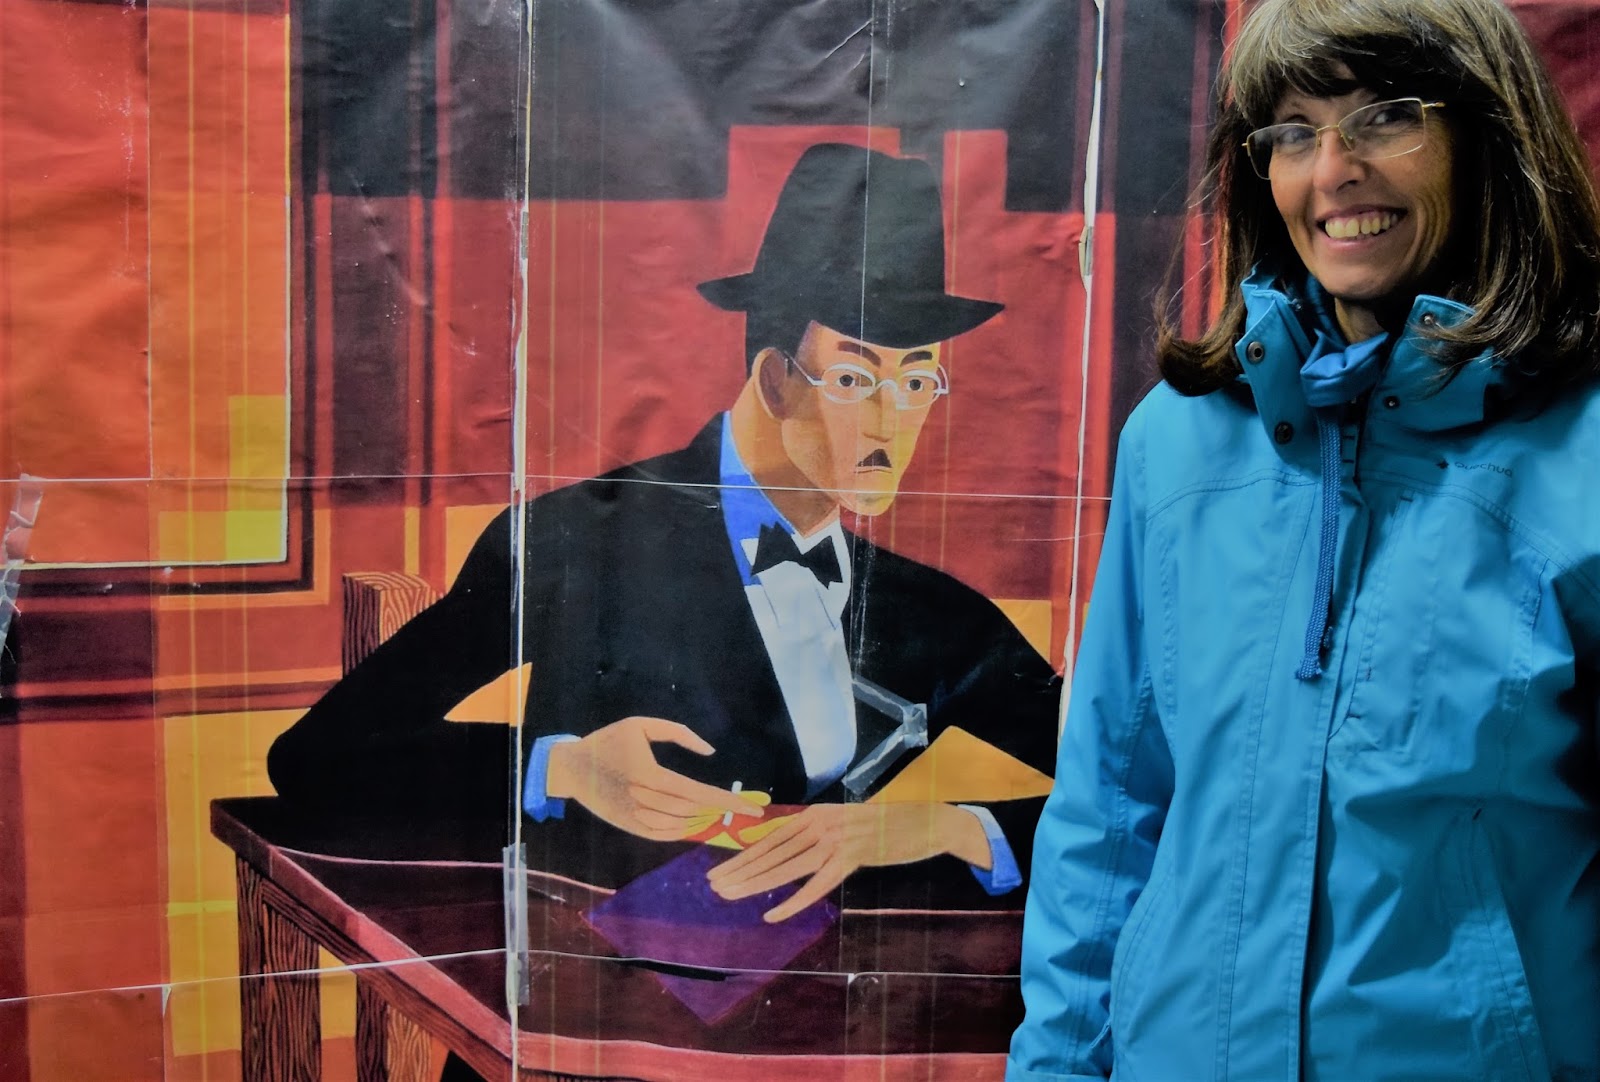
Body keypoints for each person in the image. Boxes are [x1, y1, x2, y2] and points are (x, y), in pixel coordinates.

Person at [1008, 0, 1600, 1078]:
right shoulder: (1177, 442)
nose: (1332, 171)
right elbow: (1108, 811)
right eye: (1291, 132)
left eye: (1385, 117)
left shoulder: (1583, 450)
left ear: (1489, 135)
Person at [268, 143, 1061, 923]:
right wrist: (560, 769)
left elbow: (1117, 794)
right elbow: (319, 757)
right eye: (855, 378)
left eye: (917, 380)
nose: (893, 420)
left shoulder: (935, 614)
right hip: (590, 981)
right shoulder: (572, 541)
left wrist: (956, 827)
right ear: (774, 380)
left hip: (821, 994)